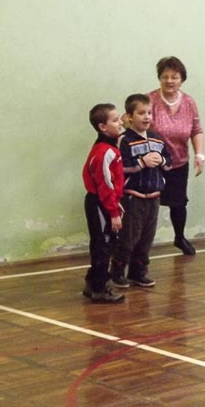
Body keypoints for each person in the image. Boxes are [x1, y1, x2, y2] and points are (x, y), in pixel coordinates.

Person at [110, 94, 172, 288]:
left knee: (147, 238)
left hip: (154, 197)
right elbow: (119, 167)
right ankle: (118, 271)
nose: (146, 117)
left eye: (149, 113)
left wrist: (162, 161)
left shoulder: (157, 139)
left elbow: (169, 163)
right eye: (141, 113)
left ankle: (139, 271)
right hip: (133, 197)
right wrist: (141, 163)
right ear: (129, 116)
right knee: (129, 237)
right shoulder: (124, 140)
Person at [149, 56, 204, 255]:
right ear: (159, 78)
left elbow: (196, 130)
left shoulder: (189, 102)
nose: (169, 81)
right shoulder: (149, 100)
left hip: (179, 162)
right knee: (149, 204)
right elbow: (132, 120)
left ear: (182, 79)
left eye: (174, 77)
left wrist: (199, 155)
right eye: (165, 76)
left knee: (179, 203)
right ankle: (141, 244)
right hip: (153, 163)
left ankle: (179, 238)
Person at [81, 103, 126, 304]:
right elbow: (105, 185)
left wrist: (116, 203)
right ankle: (100, 288)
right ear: (102, 127)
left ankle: (92, 283)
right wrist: (113, 212)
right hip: (98, 202)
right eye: (115, 120)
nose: (120, 122)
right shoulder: (104, 152)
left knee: (105, 244)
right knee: (103, 245)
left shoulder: (111, 148)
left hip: (105, 202)